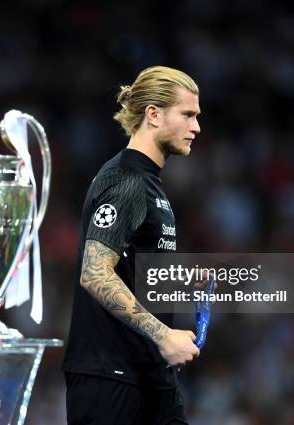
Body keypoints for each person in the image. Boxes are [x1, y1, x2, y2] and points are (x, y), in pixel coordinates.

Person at [62, 66, 202, 425]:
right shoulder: (126, 181)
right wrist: (164, 335)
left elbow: (130, 267)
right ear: (153, 114)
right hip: (111, 379)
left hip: (150, 376)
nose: (196, 127)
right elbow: (94, 274)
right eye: (187, 115)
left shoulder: (150, 185)